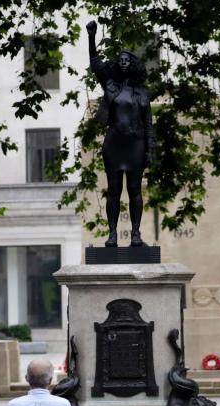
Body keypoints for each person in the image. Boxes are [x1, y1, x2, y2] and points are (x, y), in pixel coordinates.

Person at [86, 19, 156, 248]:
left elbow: (148, 124)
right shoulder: (110, 86)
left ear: (133, 64)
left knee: (135, 189)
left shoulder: (142, 94)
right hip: (114, 145)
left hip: (135, 145)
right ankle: (113, 234)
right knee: (113, 190)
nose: (124, 63)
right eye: (121, 60)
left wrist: (151, 150)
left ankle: (136, 234)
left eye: (128, 60)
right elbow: (95, 63)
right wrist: (91, 36)